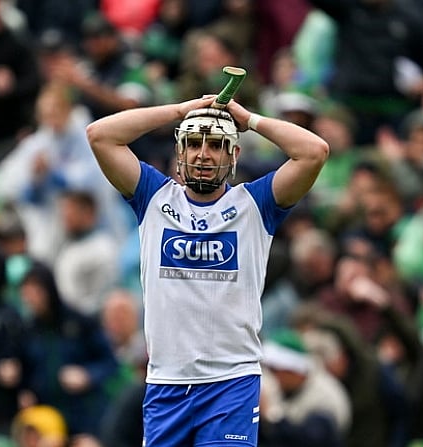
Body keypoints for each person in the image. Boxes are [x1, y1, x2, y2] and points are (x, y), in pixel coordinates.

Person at [86, 91, 329, 445]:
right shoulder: (153, 197)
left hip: (231, 383)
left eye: (216, 145)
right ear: (179, 152)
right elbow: (100, 134)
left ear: (234, 154)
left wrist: (249, 121)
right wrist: (180, 110)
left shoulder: (256, 204)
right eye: (194, 144)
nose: (203, 154)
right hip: (166, 382)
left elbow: (314, 151)